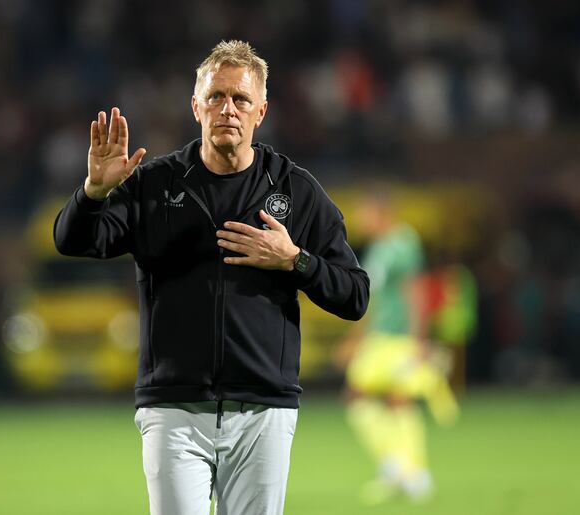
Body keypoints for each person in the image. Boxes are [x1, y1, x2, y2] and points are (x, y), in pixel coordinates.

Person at [54, 40, 369, 515]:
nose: (228, 109)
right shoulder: (155, 184)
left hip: (263, 410)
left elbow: (355, 295)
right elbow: (74, 240)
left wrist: (295, 260)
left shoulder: (295, 190)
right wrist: (93, 193)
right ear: (196, 106)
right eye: (216, 96)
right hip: (173, 408)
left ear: (261, 112)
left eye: (240, 98)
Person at [336, 190, 458, 505]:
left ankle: (416, 474)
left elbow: (415, 291)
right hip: (377, 338)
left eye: (365, 213)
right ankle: (395, 466)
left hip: (400, 338)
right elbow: (372, 300)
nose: (360, 220)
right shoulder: (378, 248)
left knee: (399, 400)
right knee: (357, 398)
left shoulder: (404, 242)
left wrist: (420, 339)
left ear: (381, 212)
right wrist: (355, 338)